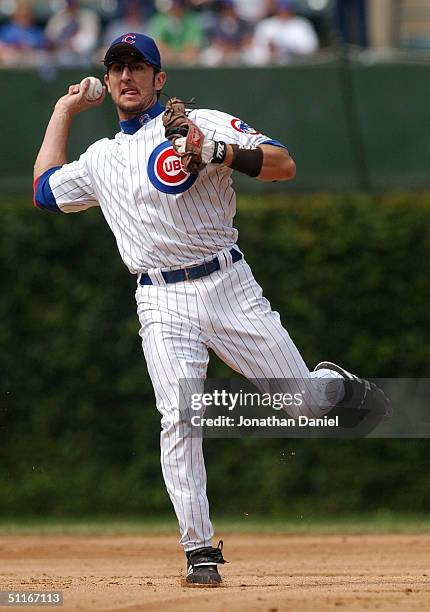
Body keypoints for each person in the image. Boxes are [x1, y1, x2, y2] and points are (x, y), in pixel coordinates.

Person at [33, 33, 390, 586]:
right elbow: (43, 191)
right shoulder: (101, 158)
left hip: (227, 283)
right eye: (116, 68)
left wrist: (216, 151)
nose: (126, 76)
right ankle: (199, 550)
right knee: (179, 416)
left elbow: (283, 165)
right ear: (106, 80)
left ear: (160, 78)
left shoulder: (200, 123)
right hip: (159, 298)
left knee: (301, 407)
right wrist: (63, 110)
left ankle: (332, 387)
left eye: (138, 67)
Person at [250, 0, 319, 65]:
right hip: (269, 67)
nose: (284, 12)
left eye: (286, 9)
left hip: (296, 66)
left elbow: (311, 47)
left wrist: (287, 50)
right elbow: (256, 50)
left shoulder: (301, 24)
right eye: (281, 9)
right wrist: (270, 51)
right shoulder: (265, 25)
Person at [45, 0, 100, 66]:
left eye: (73, 5)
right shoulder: (57, 18)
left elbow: (90, 41)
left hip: (83, 58)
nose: (71, 8)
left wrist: (73, 44)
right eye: (69, 5)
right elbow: (49, 39)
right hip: (60, 57)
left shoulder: (88, 17)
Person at [149, 0, 204, 65]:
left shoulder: (192, 20)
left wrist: (178, 56)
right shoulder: (159, 20)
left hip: (187, 63)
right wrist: (173, 56)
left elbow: (194, 48)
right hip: (166, 62)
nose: (175, 9)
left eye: (178, 6)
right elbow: (157, 46)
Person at [0, 0, 46, 67]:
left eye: (27, 15)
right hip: (13, 64)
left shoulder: (36, 31)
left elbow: (44, 47)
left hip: (33, 64)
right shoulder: (7, 30)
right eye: (23, 15)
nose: (25, 18)